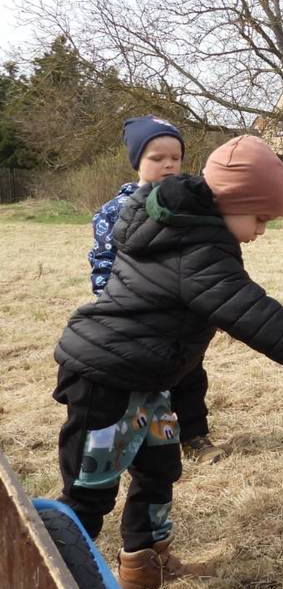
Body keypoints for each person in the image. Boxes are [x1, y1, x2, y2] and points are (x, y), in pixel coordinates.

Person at [54, 135, 283, 589]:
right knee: (90, 490)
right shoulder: (195, 247)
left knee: (159, 472)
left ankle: (145, 566)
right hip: (106, 380)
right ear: (233, 201)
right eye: (259, 217)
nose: (260, 229)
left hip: (146, 380)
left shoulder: (191, 232)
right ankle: (50, 584)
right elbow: (252, 312)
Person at [89, 116, 225, 465]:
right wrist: (110, 302)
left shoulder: (190, 205)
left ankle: (195, 436)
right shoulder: (113, 212)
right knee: (146, 387)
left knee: (191, 378)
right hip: (139, 317)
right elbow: (105, 261)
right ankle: (147, 444)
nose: (168, 164)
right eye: (156, 157)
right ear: (137, 161)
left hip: (184, 314)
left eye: (175, 158)